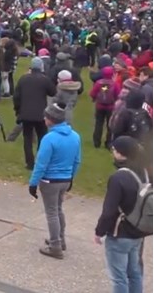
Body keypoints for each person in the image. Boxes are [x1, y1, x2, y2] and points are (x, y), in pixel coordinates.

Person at [28, 103, 81, 259]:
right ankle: (60, 239)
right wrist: (71, 177)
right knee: (58, 210)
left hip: (50, 181)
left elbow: (41, 164)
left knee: (51, 213)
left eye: (46, 117)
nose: (44, 119)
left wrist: (33, 183)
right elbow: (77, 160)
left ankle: (55, 246)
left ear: (51, 120)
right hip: (65, 179)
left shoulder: (49, 139)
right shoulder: (75, 136)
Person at [94, 136, 147, 293]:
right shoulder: (144, 173)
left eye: (114, 150)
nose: (113, 152)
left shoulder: (118, 178)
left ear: (120, 153)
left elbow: (109, 211)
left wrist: (99, 232)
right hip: (138, 231)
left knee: (119, 277)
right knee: (134, 273)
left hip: (120, 233)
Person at [13, 57, 56, 170]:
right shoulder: (44, 80)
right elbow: (53, 92)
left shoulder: (23, 79)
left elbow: (16, 96)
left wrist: (17, 110)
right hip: (40, 114)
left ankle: (29, 163)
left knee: (27, 138)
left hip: (26, 113)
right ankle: (41, 161)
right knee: (42, 138)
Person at [90, 66, 120, 148]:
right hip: (111, 107)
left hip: (99, 106)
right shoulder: (115, 84)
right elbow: (118, 95)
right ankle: (108, 143)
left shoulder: (98, 83)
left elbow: (92, 93)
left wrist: (95, 98)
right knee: (109, 125)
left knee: (98, 124)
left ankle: (96, 142)